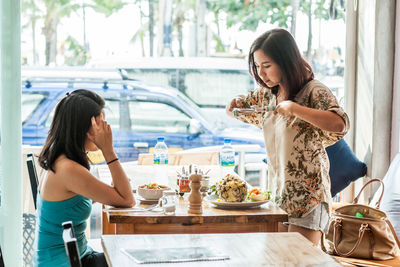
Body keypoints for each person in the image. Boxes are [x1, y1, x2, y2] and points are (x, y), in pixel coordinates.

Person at [226, 28, 349, 245]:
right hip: (278, 198)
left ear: (286, 61)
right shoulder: (267, 93)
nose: (261, 73)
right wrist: (235, 102)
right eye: (256, 66)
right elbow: (237, 109)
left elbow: (340, 123)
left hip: (309, 200)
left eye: (267, 66)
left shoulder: (314, 91)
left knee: (298, 261)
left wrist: (294, 108)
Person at [34, 89, 135, 266]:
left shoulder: (61, 158)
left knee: (129, 254)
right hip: (66, 263)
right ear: (86, 129)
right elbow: (127, 200)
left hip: (75, 256)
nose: (105, 129)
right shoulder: (68, 168)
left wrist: (115, 191)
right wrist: (108, 150)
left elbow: (115, 196)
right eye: (100, 124)